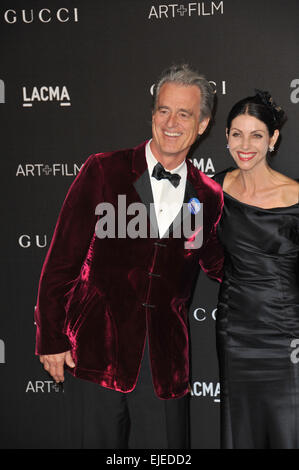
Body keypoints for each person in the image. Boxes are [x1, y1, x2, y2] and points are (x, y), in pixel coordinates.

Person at [35, 64, 224, 449]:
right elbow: (61, 261)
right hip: (96, 354)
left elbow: (216, 262)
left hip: (165, 364)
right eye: (163, 110)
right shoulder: (104, 171)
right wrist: (52, 336)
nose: (171, 122)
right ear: (153, 114)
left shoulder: (206, 195)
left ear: (202, 124)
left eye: (184, 113)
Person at [214, 90, 299, 449]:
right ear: (227, 137)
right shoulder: (210, 190)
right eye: (236, 134)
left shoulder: (296, 198)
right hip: (235, 334)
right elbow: (183, 245)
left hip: (288, 337)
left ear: (273, 139)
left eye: (256, 135)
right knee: (241, 432)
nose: (245, 145)